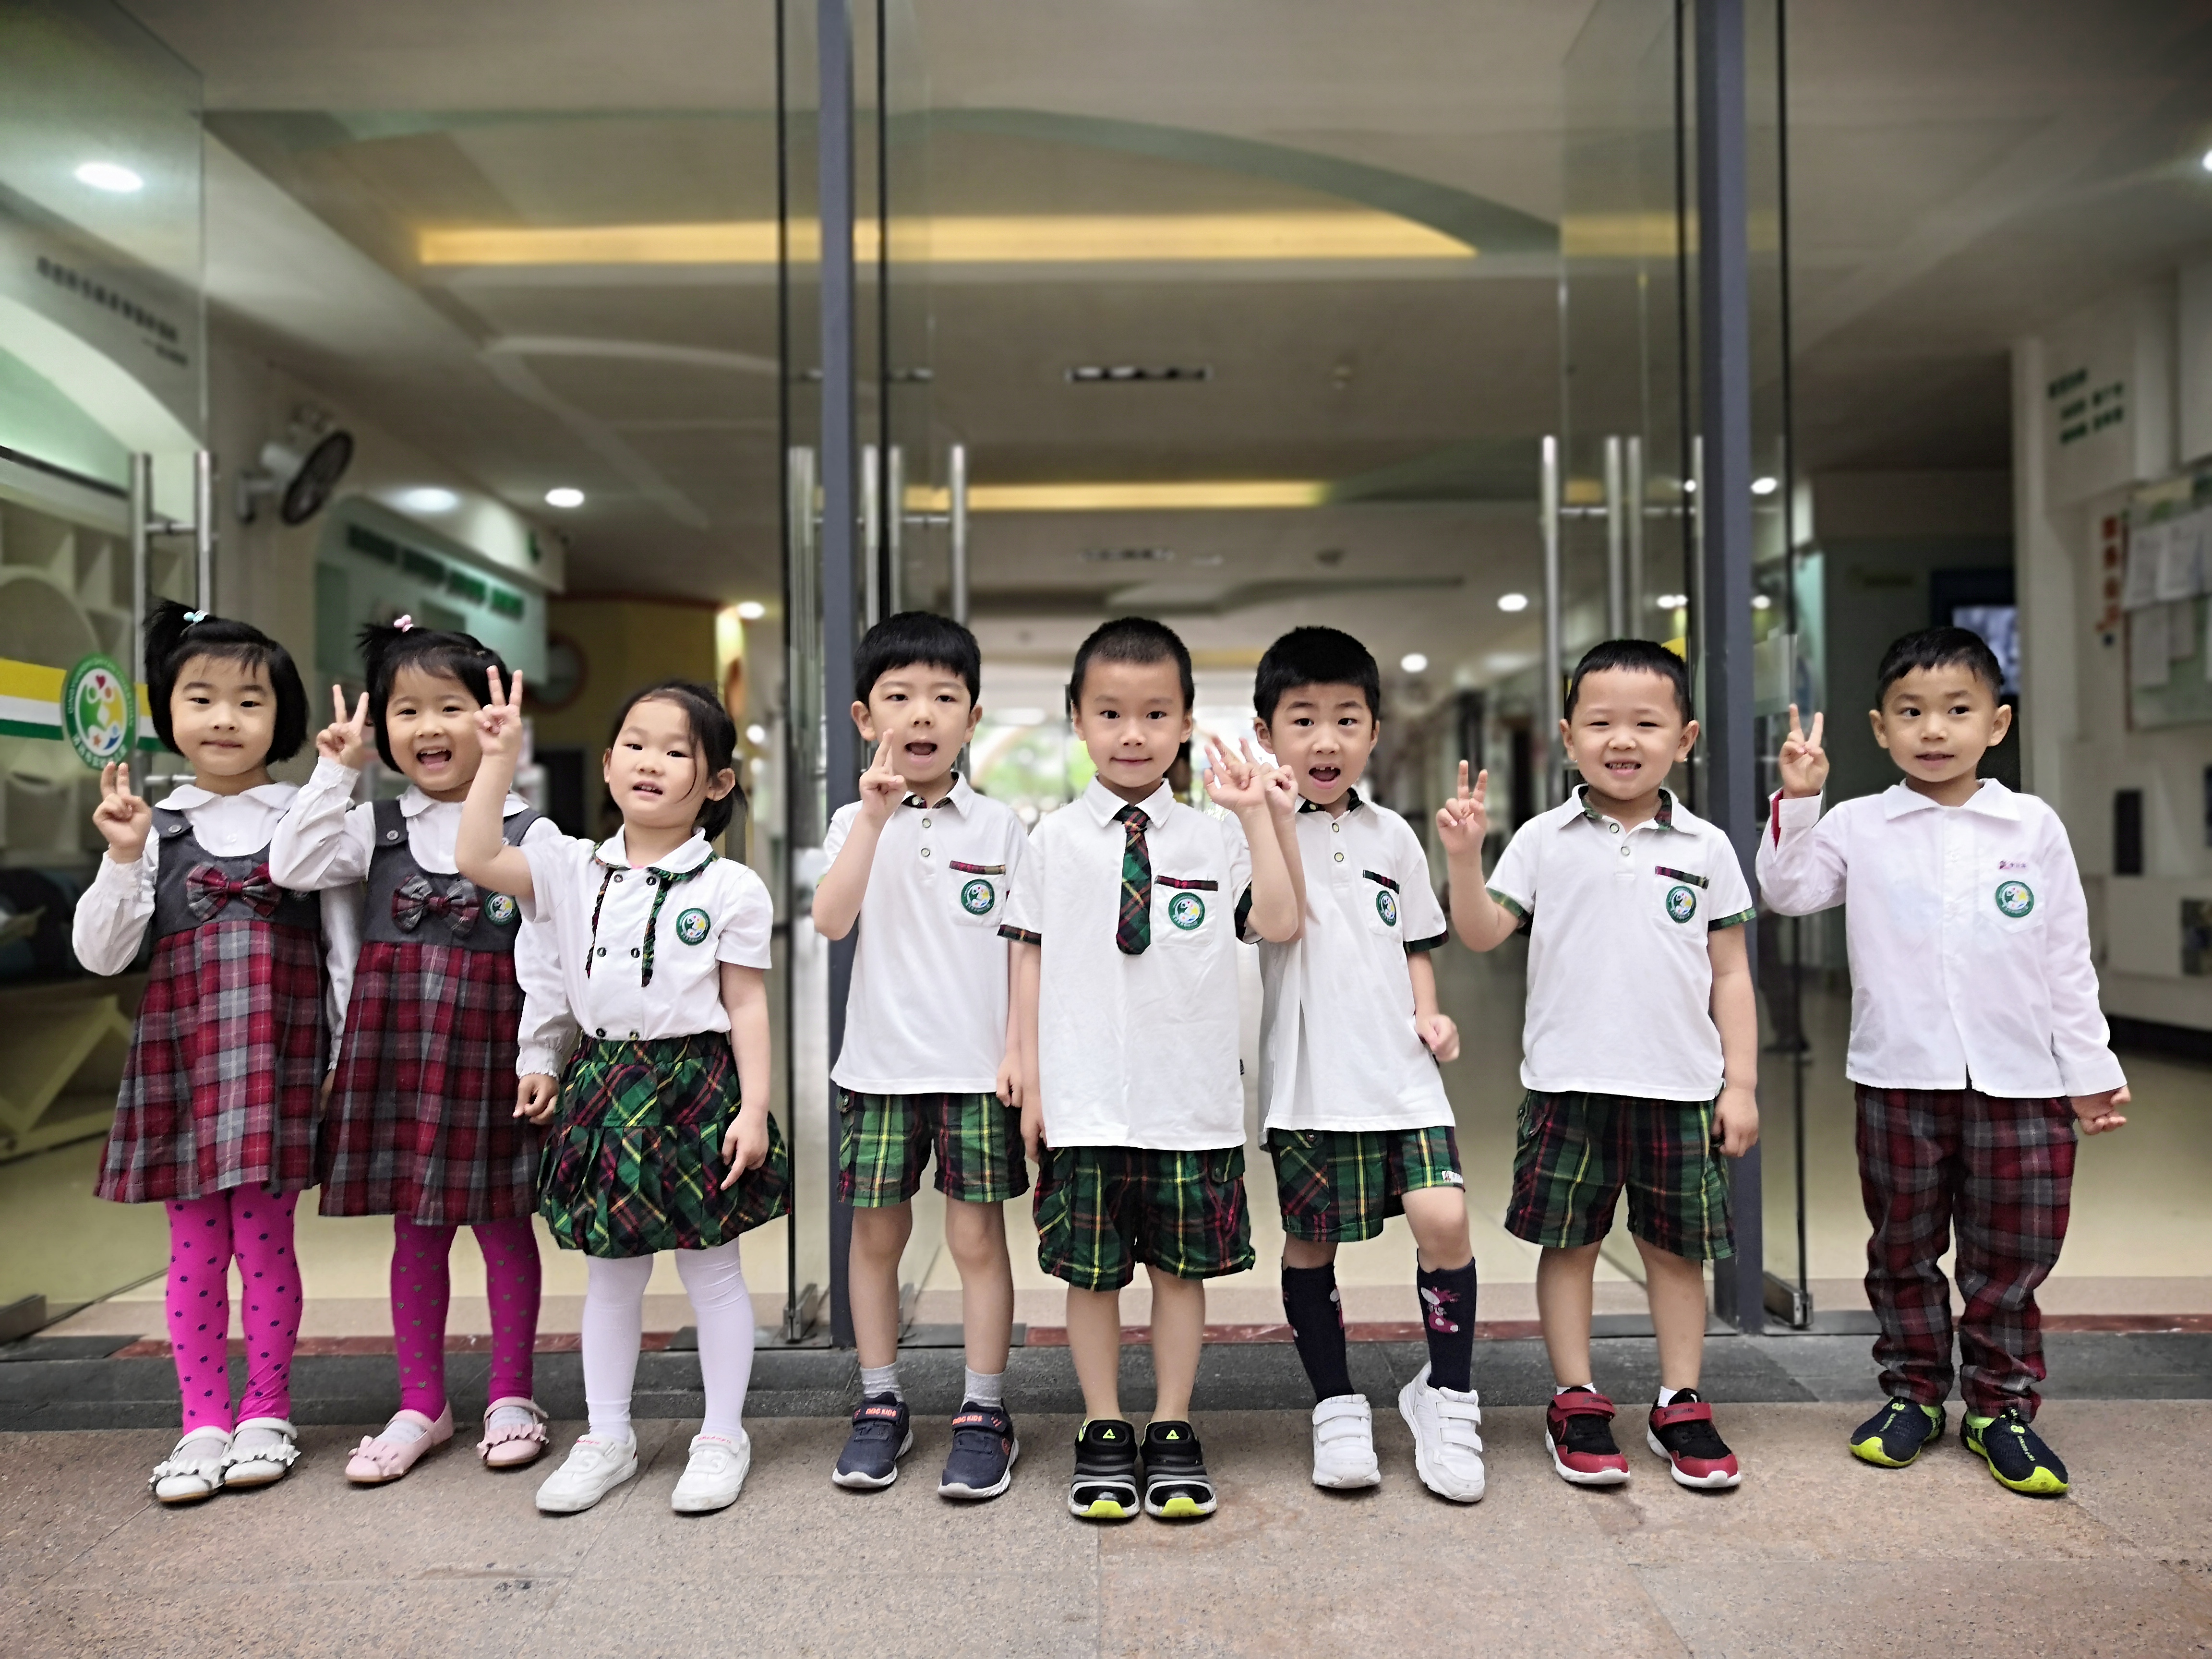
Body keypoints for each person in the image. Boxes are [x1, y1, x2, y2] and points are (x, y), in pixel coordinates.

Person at [1757, 626, 2129, 1496]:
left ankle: (2001, 1408)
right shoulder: (1861, 823)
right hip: (1900, 1076)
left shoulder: (2032, 826)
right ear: (1880, 729)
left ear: (1997, 724)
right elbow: (1787, 890)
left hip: (2022, 1080)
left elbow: (2066, 959)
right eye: (1911, 712)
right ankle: (1914, 1394)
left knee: (2013, 1254)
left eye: (1958, 711)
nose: (1934, 730)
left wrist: (2090, 1069)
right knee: (1904, 1246)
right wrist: (1800, 801)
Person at [455, 671, 789, 1517]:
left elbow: (748, 1004)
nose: (650, 762)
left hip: (697, 1082)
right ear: (608, 764)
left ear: (716, 783)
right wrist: (496, 761)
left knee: (714, 1270)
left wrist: (754, 1108)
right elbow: (478, 858)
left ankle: (723, 1436)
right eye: (636, 745)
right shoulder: (570, 867)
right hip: (603, 1079)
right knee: (610, 1275)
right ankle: (608, 1436)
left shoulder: (731, 887)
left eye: (676, 752)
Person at [1001, 616, 1304, 1522]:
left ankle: (1172, 1423)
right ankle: (1102, 1424)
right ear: (1077, 720)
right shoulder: (1051, 841)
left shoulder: (1216, 838)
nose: (1132, 734)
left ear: (1186, 723)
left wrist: (1256, 818)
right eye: (1110, 713)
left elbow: (1280, 923)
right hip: (1083, 1098)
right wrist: (1029, 1074)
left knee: (1180, 1274)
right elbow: (1028, 958)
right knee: (1089, 1277)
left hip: (1188, 1100)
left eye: (1155, 714)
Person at [1439, 637, 1758, 1491]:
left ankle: (1680, 1399)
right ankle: (1574, 1398)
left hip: (1680, 1088)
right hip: (1568, 1085)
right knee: (1570, 1244)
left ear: (1684, 739)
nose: (1623, 740)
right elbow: (1481, 933)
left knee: (1676, 1251)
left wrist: (1741, 1084)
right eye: (1601, 723)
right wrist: (1465, 859)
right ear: (1568, 737)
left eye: (1646, 724)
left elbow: (1731, 973)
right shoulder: (1543, 839)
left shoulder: (1707, 847)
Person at [269, 620, 565, 1483]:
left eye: (450, 706)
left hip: (492, 1051)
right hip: (398, 1052)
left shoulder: (531, 832)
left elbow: (550, 957)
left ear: (492, 718)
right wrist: (336, 770)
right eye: (406, 711)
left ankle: (512, 1396)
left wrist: (542, 1055)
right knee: (417, 1230)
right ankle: (421, 1403)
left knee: (505, 1227)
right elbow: (292, 865)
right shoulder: (374, 826)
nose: (428, 727)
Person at [72, 601, 354, 1503]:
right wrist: (123, 857)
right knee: (194, 1248)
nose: (225, 719)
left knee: (266, 1243)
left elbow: (341, 955)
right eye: (201, 699)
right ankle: (201, 1421)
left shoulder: (307, 817)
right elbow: (101, 954)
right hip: (188, 1067)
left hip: (278, 1063)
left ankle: (267, 1411)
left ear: (285, 717)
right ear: (169, 711)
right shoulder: (151, 825)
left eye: (249, 701)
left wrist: (340, 1064)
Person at [1245, 627, 1481, 1500]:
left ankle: (1447, 1395)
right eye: (1302, 719)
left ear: (1374, 732)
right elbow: (1274, 923)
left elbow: (1416, 941)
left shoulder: (1395, 837)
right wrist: (1268, 821)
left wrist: (1430, 1012)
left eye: (1347, 719)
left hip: (1402, 1074)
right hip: (1311, 1082)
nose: (1326, 740)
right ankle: (1336, 1404)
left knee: (1444, 1221)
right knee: (1314, 1242)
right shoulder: (1252, 831)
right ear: (1266, 733)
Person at [811, 613, 1027, 1499]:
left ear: (972, 719)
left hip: (977, 1072)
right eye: (900, 697)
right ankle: (880, 1402)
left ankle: (984, 1411)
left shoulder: (1004, 826)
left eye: (944, 697)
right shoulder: (851, 820)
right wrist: (873, 817)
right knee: (876, 1237)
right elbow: (832, 920)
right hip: (880, 1069)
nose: (923, 714)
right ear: (866, 719)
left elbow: (1025, 952)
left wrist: (1020, 1052)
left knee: (977, 1239)